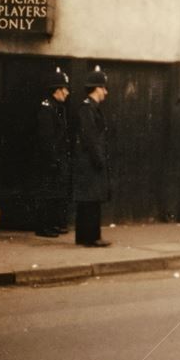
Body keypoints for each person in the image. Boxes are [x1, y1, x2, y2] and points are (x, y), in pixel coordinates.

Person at [72, 66, 111, 247]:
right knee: (90, 199)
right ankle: (91, 237)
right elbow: (90, 138)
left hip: (89, 161)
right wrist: (99, 159)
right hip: (90, 162)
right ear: (96, 88)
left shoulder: (91, 108)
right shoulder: (87, 109)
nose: (106, 92)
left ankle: (86, 236)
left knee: (91, 199)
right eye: (103, 88)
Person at [33, 67, 71, 238]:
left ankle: (51, 224)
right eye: (65, 89)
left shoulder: (58, 107)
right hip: (48, 159)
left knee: (55, 192)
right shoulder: (47, 108)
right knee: (46, 192)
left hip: (57, 158)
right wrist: (53, 159)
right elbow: (46, 138)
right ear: (57, 90)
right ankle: (43, 227)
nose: (67, 92)